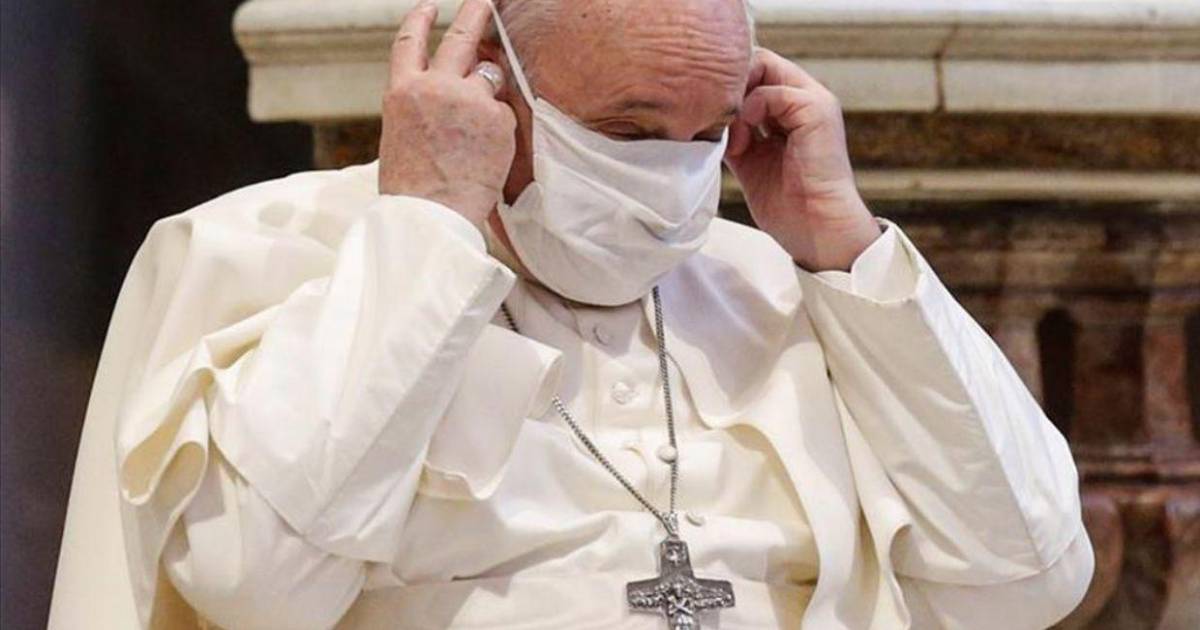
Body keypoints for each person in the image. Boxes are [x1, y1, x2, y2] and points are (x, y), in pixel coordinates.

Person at [49, 0, 1095, 628]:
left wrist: (847, 248)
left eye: (708, 134)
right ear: (486, 81)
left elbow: (1030, 580)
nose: (672, 182)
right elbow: (253, 584)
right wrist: (427, 233)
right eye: (629, 130)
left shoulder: (783, 283)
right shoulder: (267, 249)